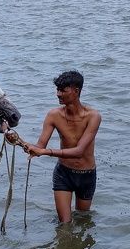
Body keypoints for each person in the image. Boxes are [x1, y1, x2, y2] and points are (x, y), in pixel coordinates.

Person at [26, 70, 102, 223]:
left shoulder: (93, 116)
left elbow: (79, 151)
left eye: (62, 90)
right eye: (57, 90)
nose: (58, 94)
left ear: (76, 91)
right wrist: (19, 141)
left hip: (86, 175)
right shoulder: (53, 115)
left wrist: (44, 152)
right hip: (63, 173)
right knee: (64, 224)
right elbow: (39, 146)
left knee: (83, 219)